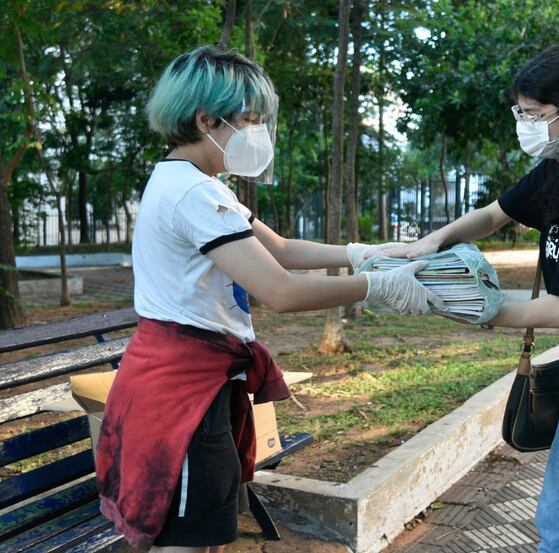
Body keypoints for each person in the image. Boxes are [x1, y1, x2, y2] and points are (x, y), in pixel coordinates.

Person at [95, 46, 438, 553]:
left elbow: (278, 249)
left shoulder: (197, 183)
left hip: (194, 382)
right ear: (206, 120)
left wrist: (368, 253)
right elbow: (280, 289)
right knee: (187, 541)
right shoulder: (194, 195)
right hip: (180, 392)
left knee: (206, 532)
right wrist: (379, 285)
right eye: (251, 121)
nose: (258, 134)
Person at [380, 44, 559, 553]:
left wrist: (472, 309)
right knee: (556, 521)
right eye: (522, 112)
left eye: (535, 115)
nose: (525, 124)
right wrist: (428, 243)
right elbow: (495, 214)